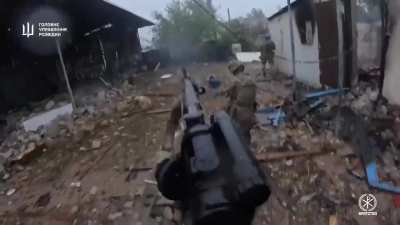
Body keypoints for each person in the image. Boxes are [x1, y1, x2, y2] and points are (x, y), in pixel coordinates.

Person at [223, 62, 257, 144]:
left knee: (237, 135)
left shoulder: (235, 81)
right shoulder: (250, 79)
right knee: (246, 133)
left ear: (233, 71)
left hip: (238, 113)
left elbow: (228, 94)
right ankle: (248, 149)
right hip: (250, 112)